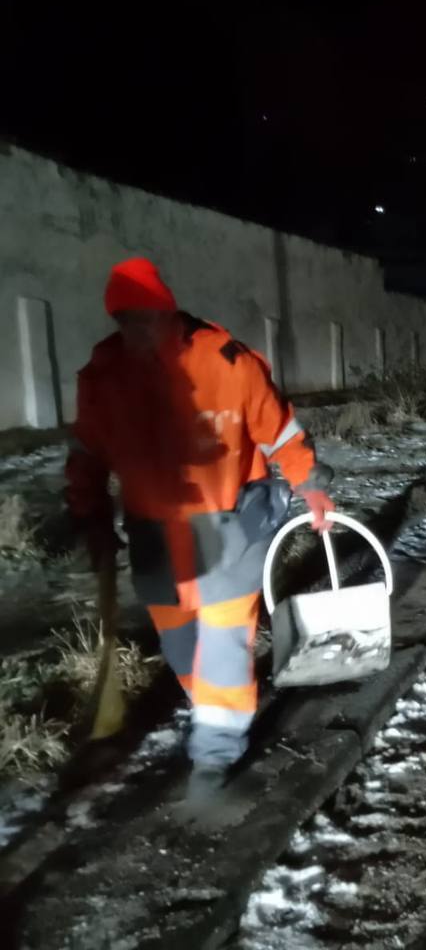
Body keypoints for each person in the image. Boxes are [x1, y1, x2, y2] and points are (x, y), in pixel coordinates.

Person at [65, 257, 335, 797]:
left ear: (168, 311)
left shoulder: (227, 363)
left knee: (223, 643)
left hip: (230, 527)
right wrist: (88, 512)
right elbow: (88, 452)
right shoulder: (105, 377)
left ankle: (214, 753)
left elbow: (280, 431)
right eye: (126, 321)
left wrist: (311, 485)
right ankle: (211, 709)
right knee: (183, 645)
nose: (138, 331)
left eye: (147, 317)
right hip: (155, 537)